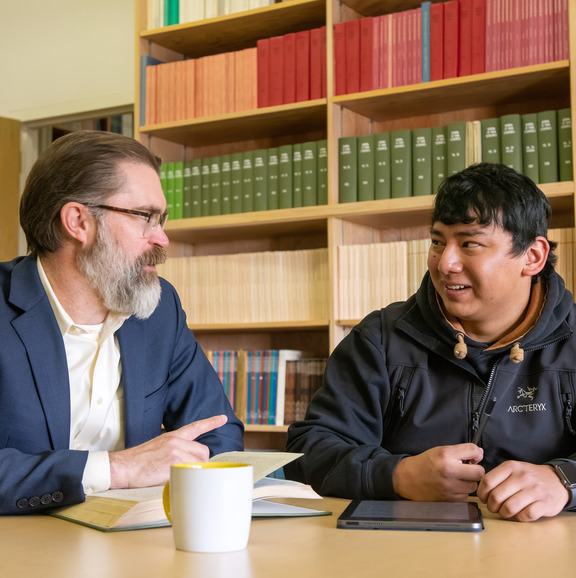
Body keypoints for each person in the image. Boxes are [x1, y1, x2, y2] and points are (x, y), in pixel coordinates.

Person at [286, 162, 576, 522]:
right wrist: (397, 475)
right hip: (407, 554)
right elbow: (308, 453)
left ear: (532, 256)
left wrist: (564, 481)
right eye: (438, 242)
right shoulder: (378, 339)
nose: (444, 263)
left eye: (470, 244)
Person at [0, 130, 243, 515]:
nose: (161, 238)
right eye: (144, 217)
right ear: (78, 222)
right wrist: (116, 469)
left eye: (161, 219)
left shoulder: (160, 311)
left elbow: (216, 430)